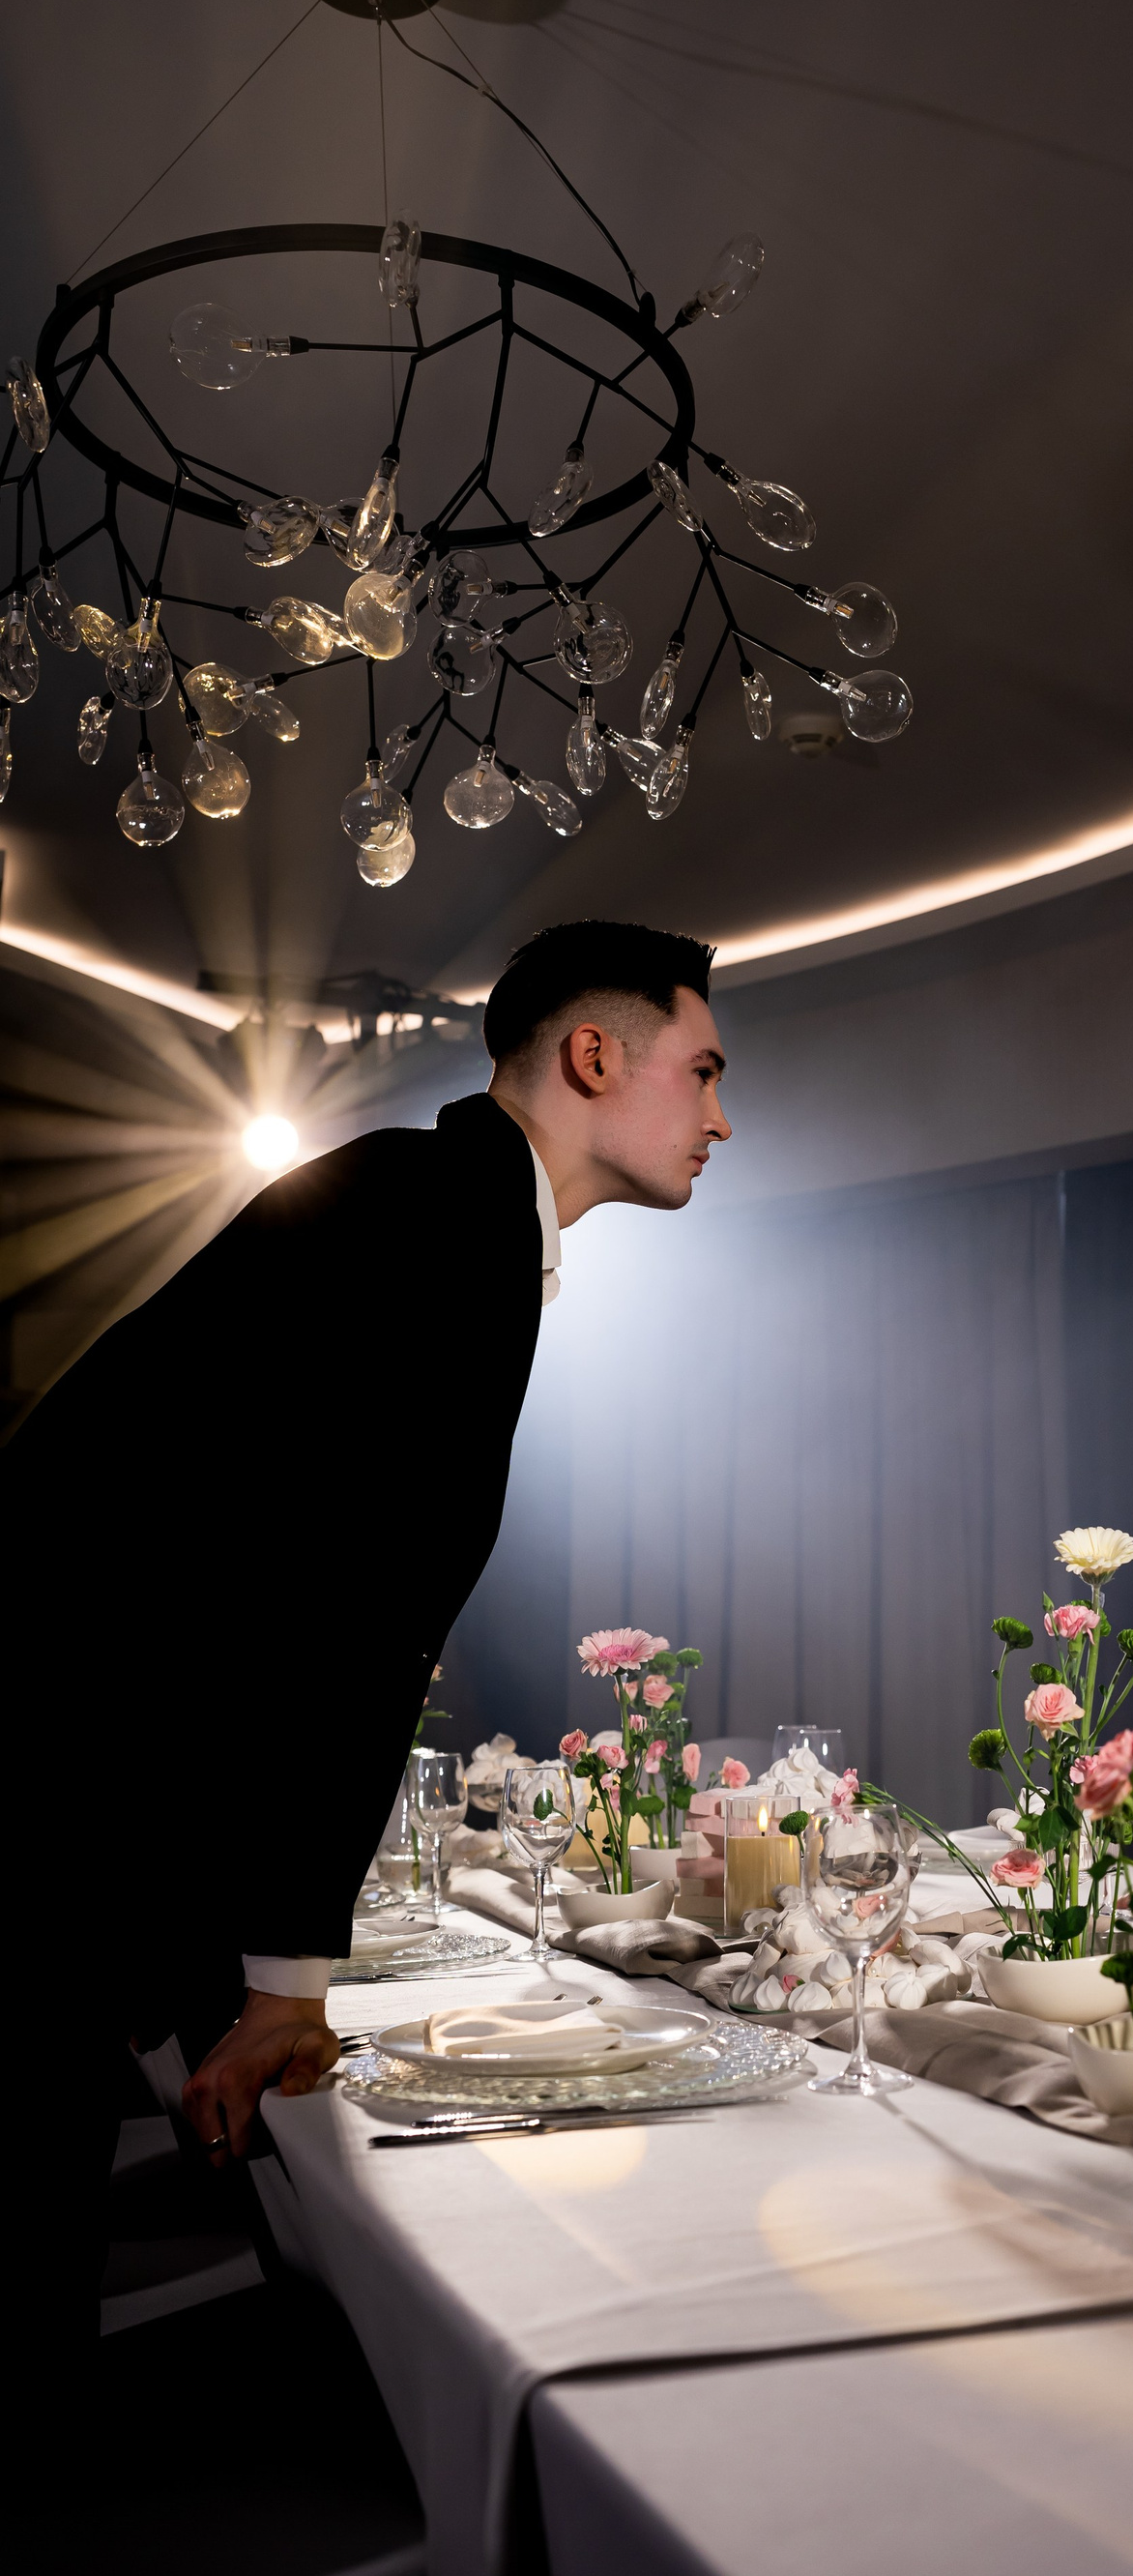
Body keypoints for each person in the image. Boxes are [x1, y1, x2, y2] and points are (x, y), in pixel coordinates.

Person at [2, 917, 728, 2354]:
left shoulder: (432, 1193)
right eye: (703, 1073)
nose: (720, 1119)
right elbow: (354, 1601)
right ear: (595, 1056)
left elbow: (265, 1562)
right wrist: (283, 1980)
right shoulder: (449, 1219)